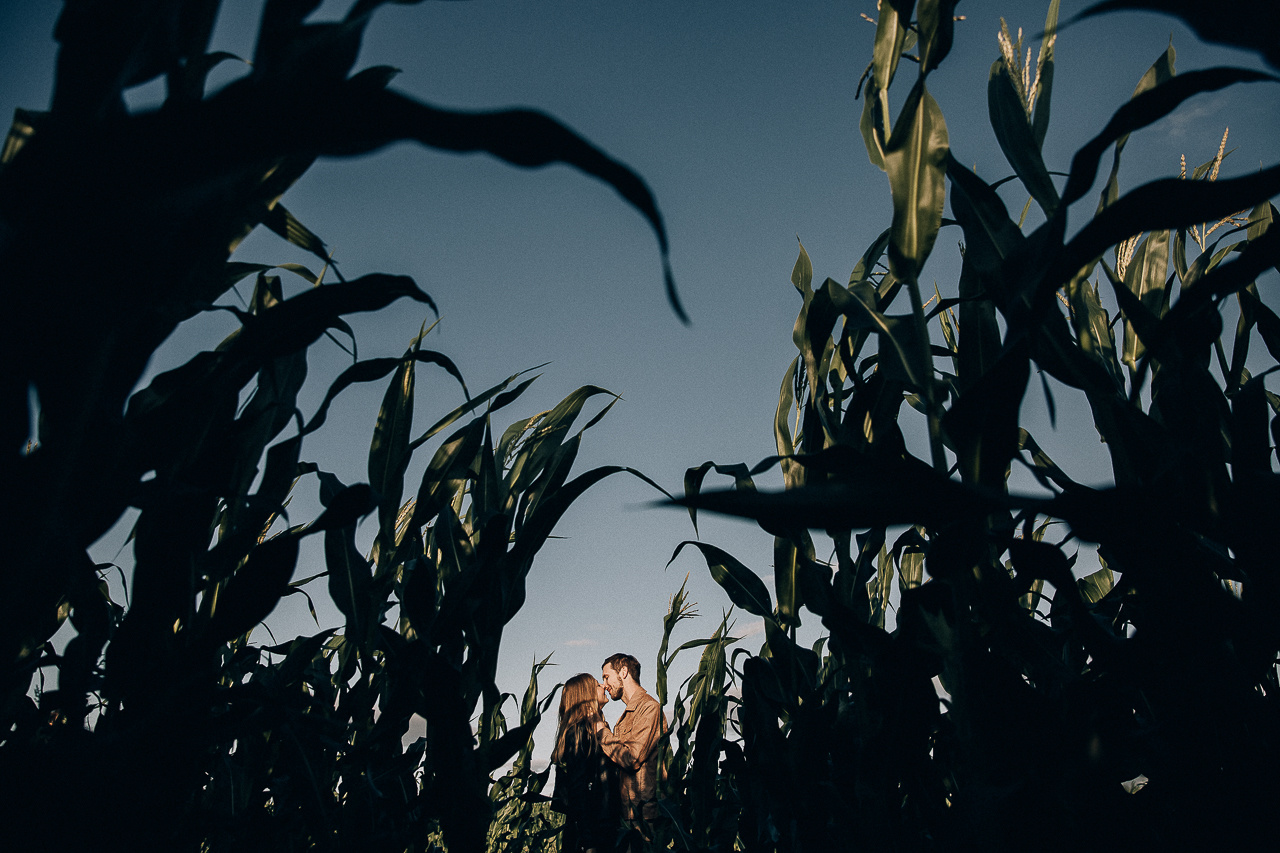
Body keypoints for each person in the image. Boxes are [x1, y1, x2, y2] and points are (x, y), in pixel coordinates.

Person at [596, 652, 667, 848]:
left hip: (645, 819)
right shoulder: (626, 716)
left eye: (606, 676)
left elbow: (632, 758)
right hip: (627, 817)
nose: (604, 684)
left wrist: (600, 730)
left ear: (624, 672)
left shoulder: (650, 709)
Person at [551, 673, 620, 853]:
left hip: (597, 832)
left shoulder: (592, 730)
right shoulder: (579, 733)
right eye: (598, 685)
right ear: (586, 695)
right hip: (591, 836)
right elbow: (578, 790)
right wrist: (588, 842)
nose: (604, 686)